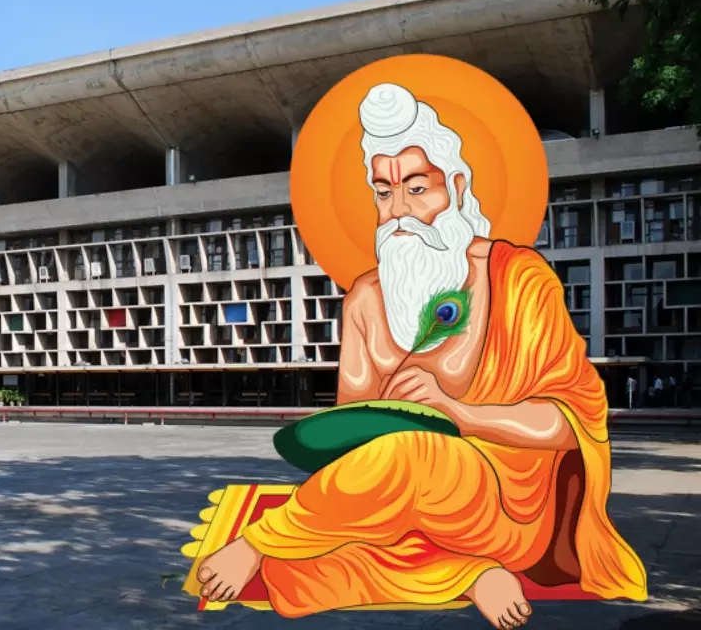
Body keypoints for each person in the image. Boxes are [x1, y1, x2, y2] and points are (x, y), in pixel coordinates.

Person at [196, 82, 646, 628]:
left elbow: (570, 424)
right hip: (395, 501)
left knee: (411, 454)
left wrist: (458, 414)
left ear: (456, 187)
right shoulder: (365, 298)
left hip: (502, 502)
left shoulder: (516, 279)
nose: (400, 212)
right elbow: (349, 440)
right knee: (301, 575)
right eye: (384, 193)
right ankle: (467, 575)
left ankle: (261, 541)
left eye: (416, 188)